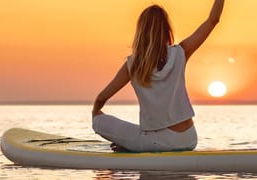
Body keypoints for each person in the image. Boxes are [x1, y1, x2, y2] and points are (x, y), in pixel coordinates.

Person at [91, 0, 224, 152]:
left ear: (141, 32)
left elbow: (102, 98)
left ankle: (130, 146)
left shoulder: (133, 65)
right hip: (189, 139)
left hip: (158, 143)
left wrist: (96, 111)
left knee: (99, 122)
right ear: (167, 30)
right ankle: (130, 145)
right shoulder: (180, 52)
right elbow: (213, 19)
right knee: (142, 134)